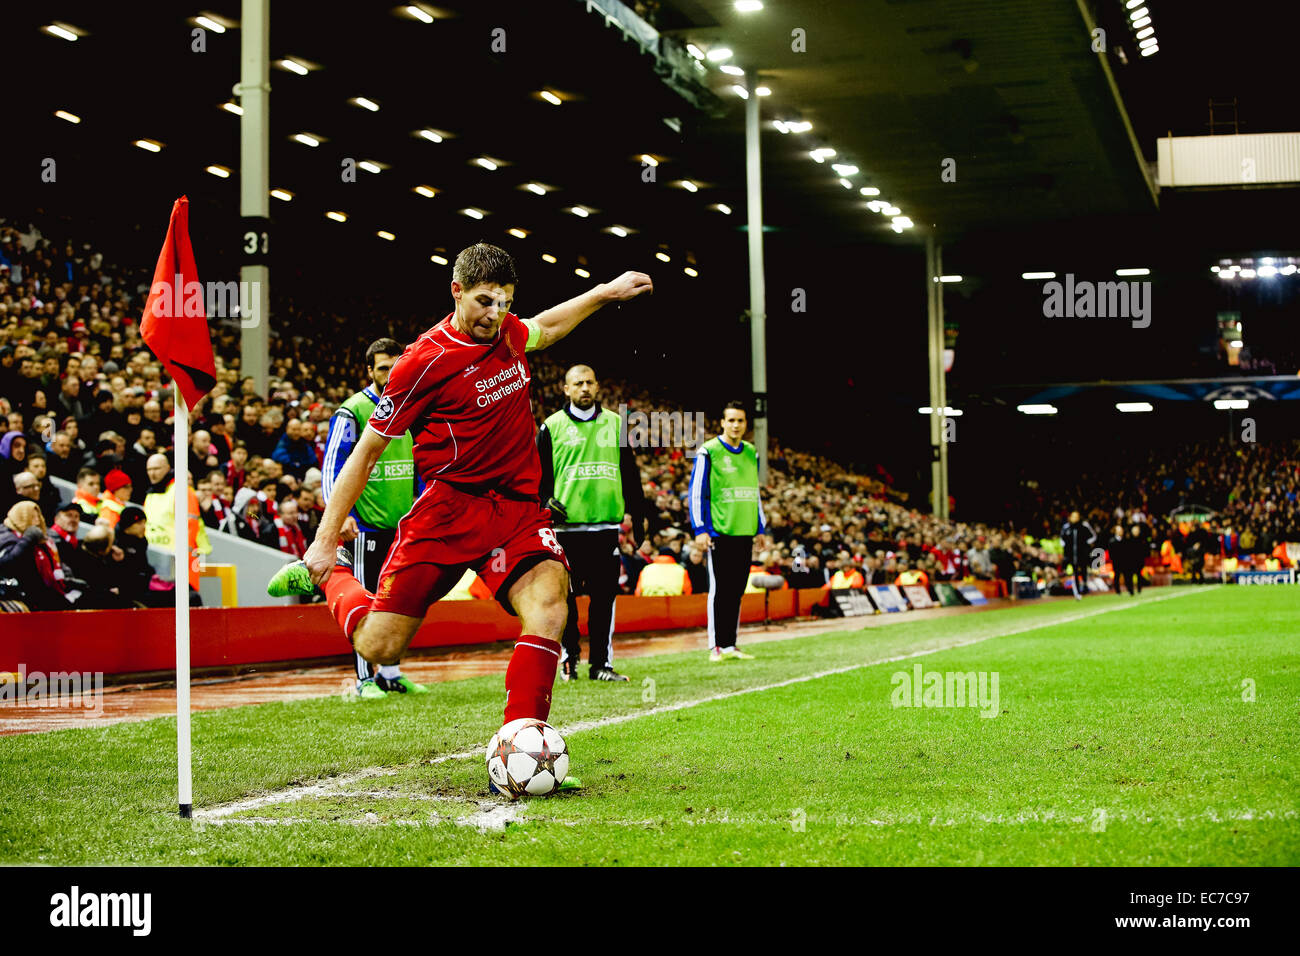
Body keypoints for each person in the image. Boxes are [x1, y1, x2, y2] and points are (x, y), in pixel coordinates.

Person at [267, 243, 653, 763]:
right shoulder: (422, 362)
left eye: (505, 302)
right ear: (457, 292)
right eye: (484, 301)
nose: (495, 315)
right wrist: (323, 538)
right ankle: (330, 573)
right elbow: (366, 452)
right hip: (448, 512)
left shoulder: (509, 332)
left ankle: (523, 746)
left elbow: (549, 326)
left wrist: (604, 293)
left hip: (515, 509)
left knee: (549, 603)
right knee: (380, 647)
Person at [321, 337, 428, 698]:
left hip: (402, 528)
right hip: (365, 528)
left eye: (396, 366)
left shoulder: (411, 407)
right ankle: (365, 678)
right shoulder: (352, 411)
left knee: (397, 601)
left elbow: (421, 464)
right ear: (369, 370)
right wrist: (342, 516)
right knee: (366, 601)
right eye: (383, 367)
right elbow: (331, 469)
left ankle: (392, 673)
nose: (391, 372)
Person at [536, 364, 646, 682]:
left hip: (604, 530)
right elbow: (537, 477)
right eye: (577, 383)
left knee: (603, 601)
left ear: (597, 387)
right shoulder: (551, 427)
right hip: (565, 531)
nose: (584, 388)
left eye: (589, 382)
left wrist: (638, 519)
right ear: (566, 389)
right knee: (565, 600)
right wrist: (544, 503)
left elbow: (631, 474)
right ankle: (569, 658)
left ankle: (600, 665)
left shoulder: (615, 424)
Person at [688, 401, 766, 662]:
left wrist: (760, 527)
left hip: (745, 532)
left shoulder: (751, 452)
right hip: (720, 532)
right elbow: (697, 493)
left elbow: (754, 493)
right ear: (722, 423)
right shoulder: (708, 451)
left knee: (736, 590)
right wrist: (700, 529)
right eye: (731, 420)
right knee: (719, 590)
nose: (735, 425)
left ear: (746, 424)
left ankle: (730, 644)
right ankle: (715, 646)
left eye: (740, 421)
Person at [142, 453, 210, 593]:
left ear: (167, 468)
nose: (152, 473)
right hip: (157, 564)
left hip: (181, 565)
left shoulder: (182, 491)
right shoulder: (150, 495)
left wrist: (183, 563)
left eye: (156, 468)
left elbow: (190, 529)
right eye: (149, 470)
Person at [0, 500, 74, 610]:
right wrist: (27, 539)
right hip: (19, 594)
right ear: (20, 517)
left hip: (42, 593)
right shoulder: (7, 536)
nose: (37, 521)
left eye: (38, 517)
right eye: (32, 517)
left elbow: (52, 563)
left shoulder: (42, 540)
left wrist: (66, 577)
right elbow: (6, 565)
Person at [1060, 510, 1097, 600]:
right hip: (1071, 555)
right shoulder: (1066, 527)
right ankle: (1077, 592)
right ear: (1070, 517)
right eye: (1073, 516)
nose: (1075, 518)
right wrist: (1065, 548)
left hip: (1082, 555)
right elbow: (1061, 539)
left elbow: (1093, 536)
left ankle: (1084, 585)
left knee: (1084, 570)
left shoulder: (1084, 526)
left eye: (1076, 516)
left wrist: (1086, 544)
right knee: (1075, 572)